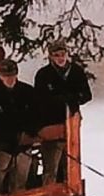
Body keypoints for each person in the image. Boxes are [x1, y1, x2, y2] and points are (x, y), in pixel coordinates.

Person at [34, 39, 92, 185]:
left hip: (71, 123)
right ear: (50, 56)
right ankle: (49, 195)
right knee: (51, 166)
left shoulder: (76, 71)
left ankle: (72, 193)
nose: (60, 58)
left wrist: (72, 99)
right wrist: (58, 100)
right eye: (56, 55)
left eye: (62, 54)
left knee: (71, 164)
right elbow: (41, 99)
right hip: (51, 124)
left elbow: (86, 95)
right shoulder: (43, 74)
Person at [0, 59, 40, 194]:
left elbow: (37, 115)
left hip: (24, 144)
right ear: (0, 76)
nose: (9, 79)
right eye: (6, 76)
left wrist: (30, 132)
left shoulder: (27, 91)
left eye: (12, 75)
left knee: (20, 182)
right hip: (2, 146)